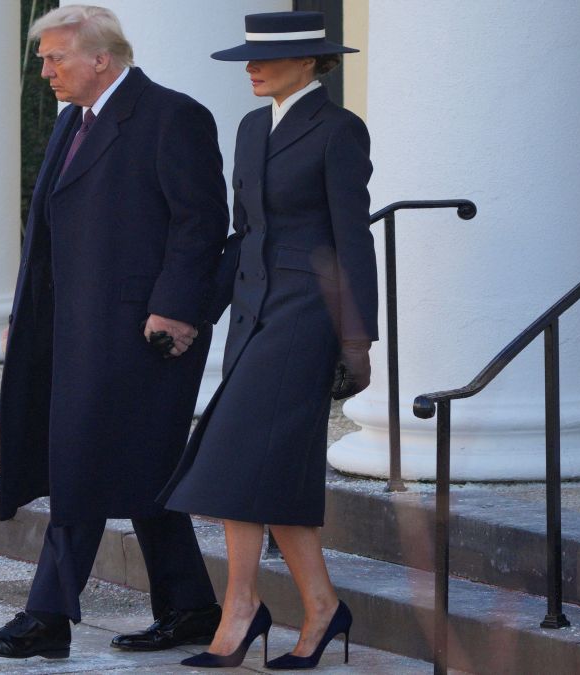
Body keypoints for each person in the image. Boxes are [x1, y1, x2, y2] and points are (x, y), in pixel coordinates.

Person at [0, 5, 229, 661]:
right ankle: (191, 607)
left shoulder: (171, 116)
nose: (45, 70)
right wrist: (22, 317)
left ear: (101, 59)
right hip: (73, 329)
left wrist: (176, 310)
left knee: (83, 462)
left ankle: (47, 617)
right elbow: (44, 239)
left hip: (144, 333)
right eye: (44, 58)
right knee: (144, 470)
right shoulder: (72, 123)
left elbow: (201, 224)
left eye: (56, 58)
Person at [159, 11, 376, 670]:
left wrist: (357, 338)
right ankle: (318, 605)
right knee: (269, 471)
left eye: (265, 60)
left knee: (231, 457)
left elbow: (352, 240)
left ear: (311, 62)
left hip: (306, 320)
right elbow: (244, 234)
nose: (250, 70)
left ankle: (243, 607)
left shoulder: (339, 131)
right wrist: (195, 311)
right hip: (252, 317)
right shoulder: (253, 128)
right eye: (248, 59)